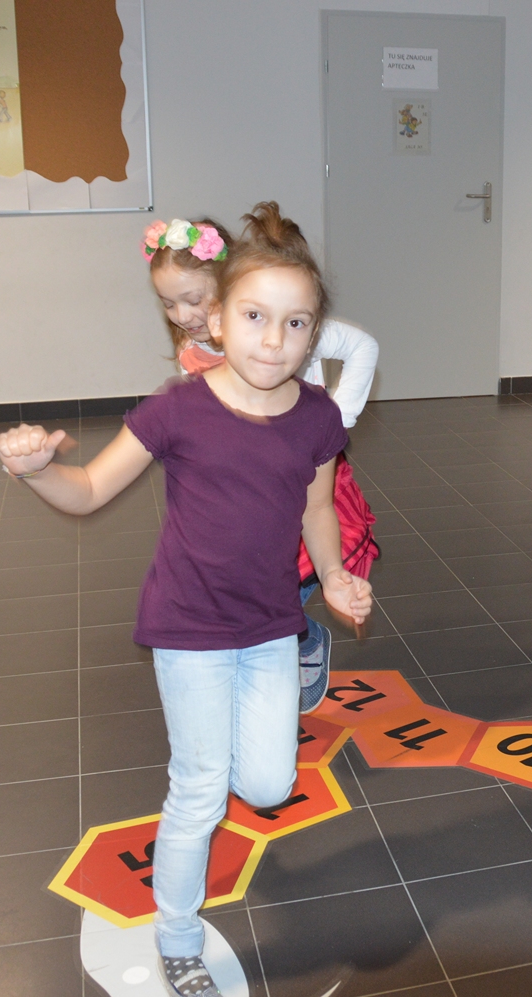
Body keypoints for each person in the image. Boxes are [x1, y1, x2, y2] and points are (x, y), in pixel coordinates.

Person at [0, 203, 373, 997]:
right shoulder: (178, 409)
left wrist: (335, 574)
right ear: (218, 319)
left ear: (314, 335)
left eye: (295, 322)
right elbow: (88, 489)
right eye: (255, 316)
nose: (273, 339)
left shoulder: (316, 417)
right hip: (189, 627)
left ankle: (256, 715)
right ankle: (177, 938)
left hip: (270, 624)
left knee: (267, 785)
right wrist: (37, 471)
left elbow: (315, 508)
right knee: (200, 788)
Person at [145, 216, 380, 711]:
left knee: (291, 574)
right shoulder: (194, 347)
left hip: (300, 480)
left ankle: (302, 637)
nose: (183, 315)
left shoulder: (284, 330)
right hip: (243, 490)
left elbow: (361, 345)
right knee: (248, 570)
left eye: (193, 299)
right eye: (168, 303)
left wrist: (339, 416)